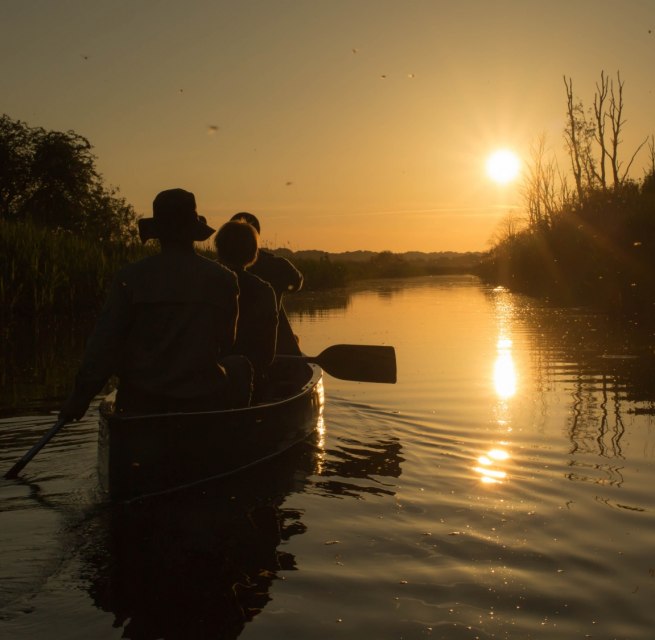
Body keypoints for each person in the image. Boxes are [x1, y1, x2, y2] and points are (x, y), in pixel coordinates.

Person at [59, 188, 251, 421]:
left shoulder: (130, 277)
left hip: (142, 399)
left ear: (159, 232)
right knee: (239, 366)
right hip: (202, 396)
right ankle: (233, 435)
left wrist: (79, 399)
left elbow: (104, 345)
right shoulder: (223, 279)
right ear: (192, 232)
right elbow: (226, 342)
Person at [214, 220, 278, 400]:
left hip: (201, 380)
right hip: (251, 382)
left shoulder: (200, 282)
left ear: (219, 249)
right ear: (252, 253)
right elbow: (267, 355)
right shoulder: (263, 290)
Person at [229, 212, 303, 354]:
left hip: (229, 350)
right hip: (272, 345)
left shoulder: (214, 269)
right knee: (292, 339)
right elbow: (297, 283)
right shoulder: (278, 265)